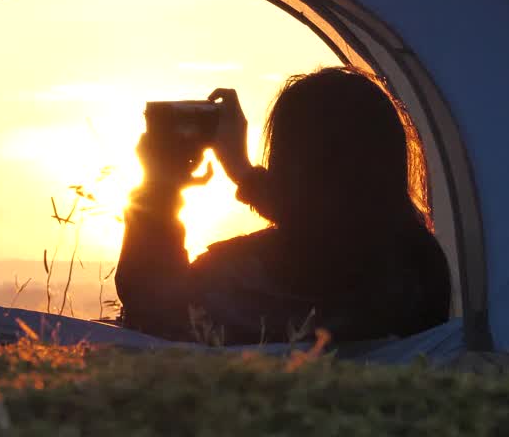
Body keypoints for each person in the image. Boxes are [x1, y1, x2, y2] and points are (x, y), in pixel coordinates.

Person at [115, 67, 450, 344]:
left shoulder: (231, 282)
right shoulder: (419, 271)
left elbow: (149, 306)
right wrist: (244, 174)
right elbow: (343, 225)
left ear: (287, 164)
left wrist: (159, 186)